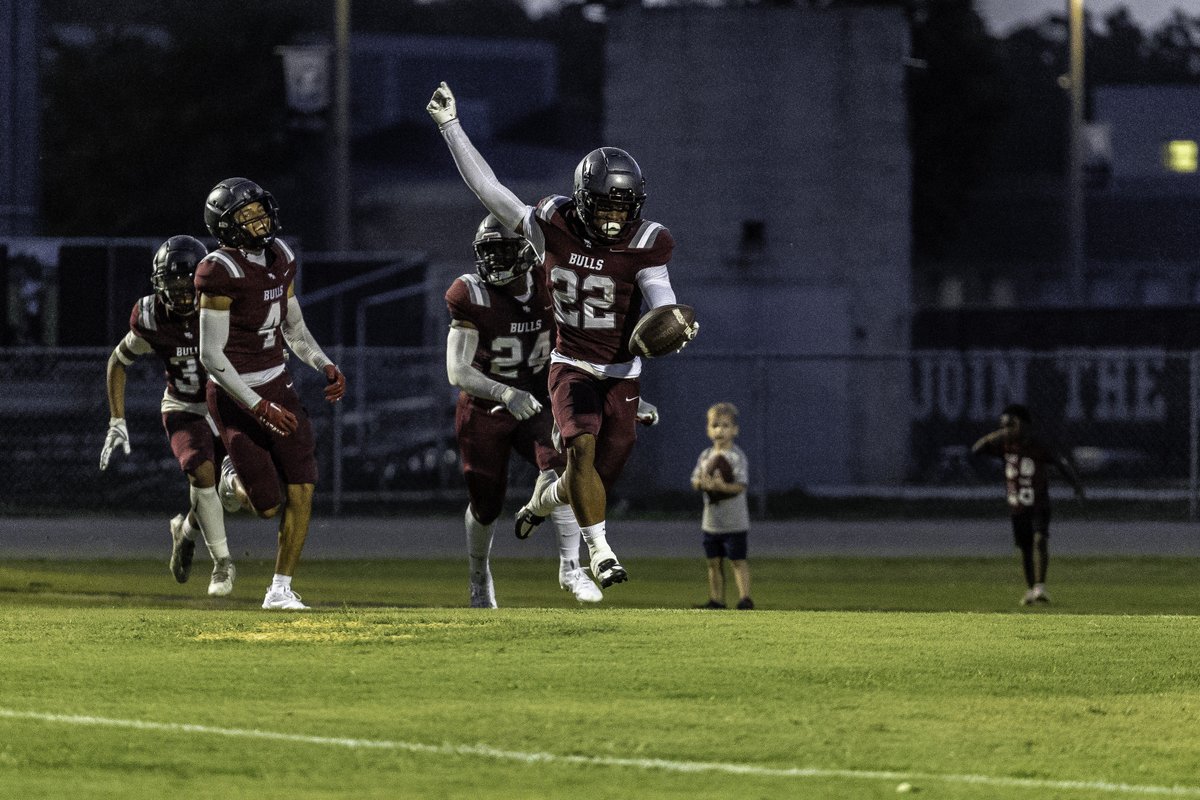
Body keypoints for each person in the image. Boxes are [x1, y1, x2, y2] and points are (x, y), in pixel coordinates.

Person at [427, 81, 697, 589]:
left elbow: (660, 294)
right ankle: (600, 554)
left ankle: (538, 503)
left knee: (585, 483)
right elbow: (490, 190)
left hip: (621, 372)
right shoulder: (552, 223)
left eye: (624, 207)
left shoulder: (647, 243)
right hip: (569, 364)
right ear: (583, 200)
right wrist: (451, 126)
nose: (616, 219)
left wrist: (670, 322)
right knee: (581, 451)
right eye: (606, 206)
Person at [195, 177, 346, 611]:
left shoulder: (282, 256)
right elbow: (210, 356)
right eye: (246, 215)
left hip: (279, 382)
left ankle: (280, 588)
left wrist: (324, 363)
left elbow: (292, 327)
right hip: (234, 393)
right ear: (226, 226)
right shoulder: (218, 271)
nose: (259, 219)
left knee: (303, 483)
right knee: (264, 507)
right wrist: (258, 405)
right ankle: (230, 476)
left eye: (260, 209)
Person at [446, 214, 604, 607]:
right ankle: (479, 575)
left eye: (504, 251)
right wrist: (504, 392)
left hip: (537, 396)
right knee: (486, 506)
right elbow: (456, 370)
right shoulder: (470, 293)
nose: (495, 262)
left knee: (568, 466)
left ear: (527, 250)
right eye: (489, 253)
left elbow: (585, 344)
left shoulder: (552, 283)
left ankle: (572, 568)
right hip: (485, 405)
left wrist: (619, 392)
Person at [99, 235, 236, 597]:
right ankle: (222, 563)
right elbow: (118, 361)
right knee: (201, 472)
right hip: (183, 405)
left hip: (227, 407)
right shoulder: (153, 317)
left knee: (232, 496)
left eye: (187, 284)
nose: (180, 294)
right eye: (172, 286)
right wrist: (117, 419)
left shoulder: (224, 306)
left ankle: (186, 531)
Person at [971, 403, 1085, 606]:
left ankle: (1040, 587)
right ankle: (1031, 590)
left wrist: (1075, 484)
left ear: (1023, 424)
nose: (1007, 429)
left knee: (1040, 539)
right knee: (1025, 548)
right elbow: (976, 449)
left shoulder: (1036, 445)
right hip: (1017, 506)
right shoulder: (1004, 445)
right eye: (1004, 425)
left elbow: (1060, 462)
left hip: (1039, 502)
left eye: (1011, 424)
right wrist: (997, 434)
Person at [690, 402, 752, 610]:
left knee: (737, 561)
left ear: (735, 430)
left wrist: (722, 487)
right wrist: (702, 484)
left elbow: (740, 486)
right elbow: (695, 481)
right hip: (712, 523)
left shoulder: (736, 457)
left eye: (725, 426)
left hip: (734, 522)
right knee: (713, 562)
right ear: (708, 430)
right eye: (715, 425)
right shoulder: (706, 456)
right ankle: (717, 599)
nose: (720, 430)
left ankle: (745, 598)